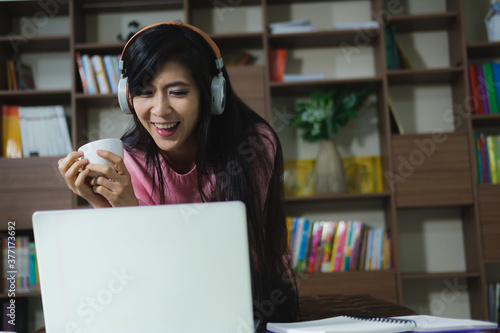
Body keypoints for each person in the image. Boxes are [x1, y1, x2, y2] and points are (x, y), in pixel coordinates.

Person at [58, 21, 298, 330]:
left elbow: (231, 263)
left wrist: (132, 210)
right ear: (127, 97)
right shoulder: (129, 159)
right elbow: (131, 273)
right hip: (162, 304)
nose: (160, 109)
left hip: (245, 299)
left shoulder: (253, 145)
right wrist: (101, 204)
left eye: (177, 92)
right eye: (144, 92)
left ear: (212, 92)